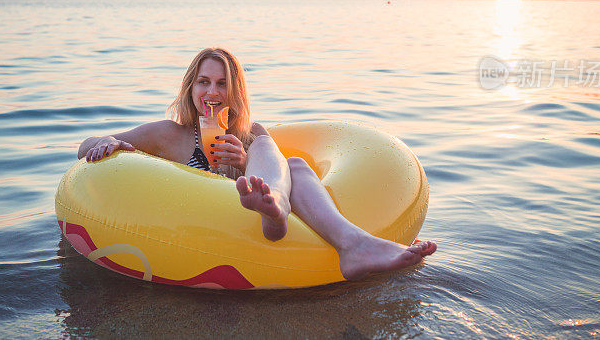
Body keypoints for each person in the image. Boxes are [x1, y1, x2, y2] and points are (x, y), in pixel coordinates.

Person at [78, 47, 436, 280]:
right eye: (203, 82)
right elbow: (85, 147)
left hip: (264, 223)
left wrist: (246, 161)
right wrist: (106, 141)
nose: (212, 93)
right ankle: (276, 206)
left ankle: (324, 231)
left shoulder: (251, 135)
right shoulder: (168, 134)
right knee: (281, 161)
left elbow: (272, 159)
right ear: (191, 88)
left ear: (234, 92)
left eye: (222, 83)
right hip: (199, 228)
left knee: (290, 161)